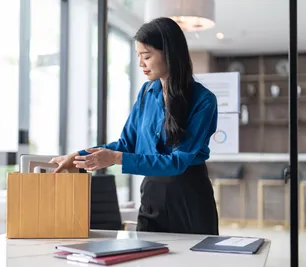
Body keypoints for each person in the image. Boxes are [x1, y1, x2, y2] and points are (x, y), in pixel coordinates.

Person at [50, 17, 219, 235]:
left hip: (189, 199)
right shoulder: (146, 93)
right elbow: (126, 143)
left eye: (147, 56)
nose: (140, 63)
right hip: (151, 196)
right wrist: (76, 157)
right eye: (138, 55)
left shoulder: (203, 100)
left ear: (169, 53)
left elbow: (177, 162)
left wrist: (116, 159)